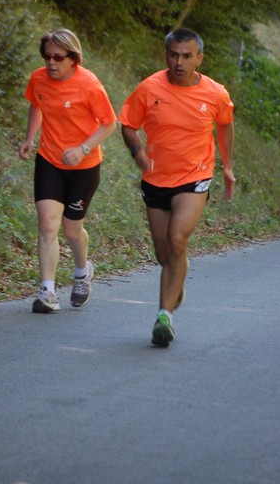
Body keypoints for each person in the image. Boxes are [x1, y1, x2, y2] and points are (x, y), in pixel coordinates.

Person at [119, 27, 235, 347]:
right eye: (173, 55)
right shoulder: (149, 88)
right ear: (165, 55)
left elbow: (225, 126)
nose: (179, 62)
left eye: (186, 56)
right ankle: (177, 278)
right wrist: (137, 151)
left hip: (194, 177)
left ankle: (164, 318)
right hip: (156, 179)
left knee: (177, 238)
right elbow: (127, 124)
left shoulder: (215, 93)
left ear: (199, 58)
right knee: (164, 254)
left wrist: (227, 167)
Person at [19, 28, 117, 313]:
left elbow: (109, 124)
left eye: (58, 57)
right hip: (49, 159)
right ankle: (47, 291)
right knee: (48, 224)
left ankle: (82, 271)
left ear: (73, 59)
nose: (51, 63)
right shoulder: (39, 78)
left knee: (72, 230)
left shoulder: (89, 85)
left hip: (84, 166)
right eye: (46, 56)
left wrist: (83, 149)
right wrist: (29, 138)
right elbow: (36, 105)